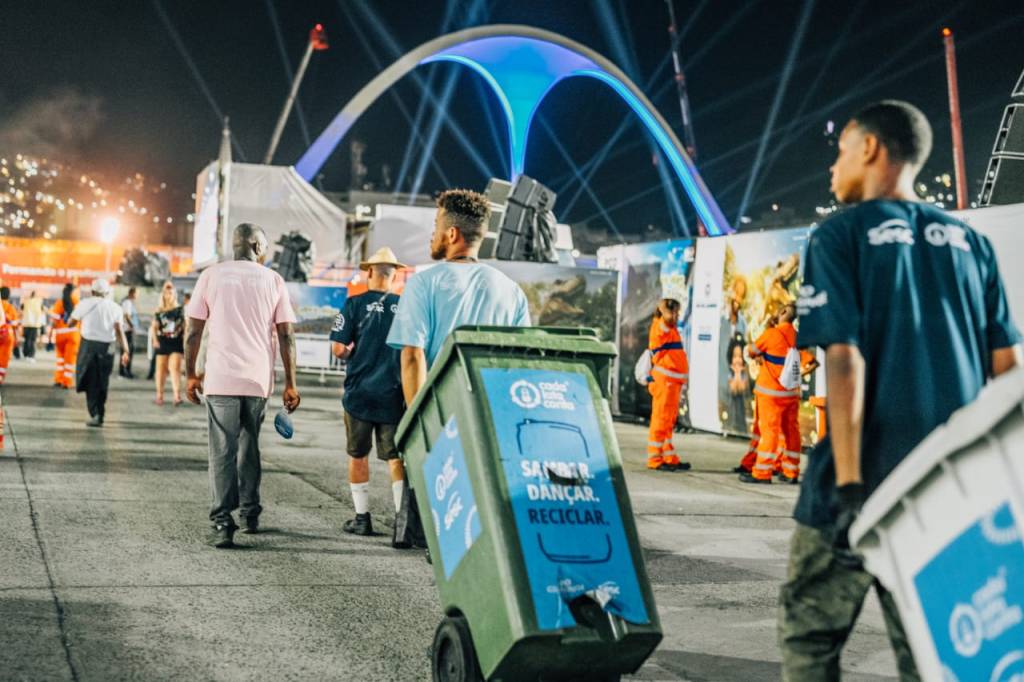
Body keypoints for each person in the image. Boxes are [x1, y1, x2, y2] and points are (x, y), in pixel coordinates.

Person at [778, 100, 1021, 680]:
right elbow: (1008, 371)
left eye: (840, 154)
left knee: (810, 636)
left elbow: (844, 359)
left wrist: (851, 478)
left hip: (855, 486)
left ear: (871, 148)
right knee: (933, 647)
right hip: (945, 491)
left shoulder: (839, 236)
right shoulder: (972, 245)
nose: (833, 170)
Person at [386, 189, 530, 548]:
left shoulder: (424, 283)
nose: (432, 235)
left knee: (431, 522)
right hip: (489, 412)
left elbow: (412, 356)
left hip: (439, 413)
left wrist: (415, 420)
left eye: (436, 226)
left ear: (452, 235)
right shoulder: (511, 291)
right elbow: (519, 361)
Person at [185, 223, 300, 549]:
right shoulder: (273, 279)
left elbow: (193, 331)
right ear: (255, 245)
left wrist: (190, 374)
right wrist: (291, 382)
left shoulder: (211, 276)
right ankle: (250, 513)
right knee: (250, 446)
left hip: (220, 377)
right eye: (264, 244)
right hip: (258, 379)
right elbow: (286, 334)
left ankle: (223, 523)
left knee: (222, 450)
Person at [329, 247, 407, 538]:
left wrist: (353, 355)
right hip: (394, 393)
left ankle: (362, 519)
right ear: (394, 274)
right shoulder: (406, 305)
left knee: (358, 454)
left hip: (359, 393)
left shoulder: (354, 304)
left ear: (370, 271)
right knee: (395, 457)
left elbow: (338, 348)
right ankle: (402, 521)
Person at [741, 303, 802, 484]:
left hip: (771, 394)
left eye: (778, 309)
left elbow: (751, 351)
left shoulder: (771, 334)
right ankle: (791, 472)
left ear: (783, 312)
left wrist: (760, 355)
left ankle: (762, 472)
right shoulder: (797, 337)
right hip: (791, 394)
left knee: (769, 432)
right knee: (791, 432)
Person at [71, 279, 131, 427]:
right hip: (108, 348)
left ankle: (95, 414)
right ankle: (100, 412)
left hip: (88, 347)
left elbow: (71, 322)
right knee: (103, 381)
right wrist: (126, 351)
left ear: (92, 291)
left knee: (89, 380)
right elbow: (119, 331)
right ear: (107, 293)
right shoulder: (116, 307)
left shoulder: (84, 304)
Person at [645, 298, 691, 471]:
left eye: (677, 312)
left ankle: (668, 456)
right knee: (661, 419)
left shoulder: (670, 329)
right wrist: (664, 310)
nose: (676, 316)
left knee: (668, 420)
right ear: (664, 312)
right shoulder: (660, 327)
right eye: (674, 312)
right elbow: (665, 323)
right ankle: (655, 459)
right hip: (665, 382)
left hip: (672, 382)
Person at [151, 281, 185, 405]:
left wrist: (186, 341)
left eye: (171, 293)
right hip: (162, 341)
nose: (168, 295)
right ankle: (159, 395)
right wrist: (154, 340)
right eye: (166, 293)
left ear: (174, 294)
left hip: (176, 342)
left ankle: (177, 396)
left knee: (175, 368)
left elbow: (185, 327)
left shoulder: (179, 310)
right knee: (160, 369)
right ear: (163, 295)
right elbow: (154, 327)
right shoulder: (159, 311)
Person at [50, 283, 81, 389]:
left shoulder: (59, 303)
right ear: (73, 292)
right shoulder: (77, 303)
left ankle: (58, 380)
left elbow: (54, 322)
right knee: (69, 360)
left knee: (60, 360)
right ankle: (66, 382)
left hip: (60, 335)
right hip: (73, 334)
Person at [119, 287, 140, 378]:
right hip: (127, 331)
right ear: (132, 293)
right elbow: (127, 315)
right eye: (136, 293)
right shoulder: (127, 302)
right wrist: (132, 326)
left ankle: (125, 371)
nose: (137, 296)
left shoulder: (128, 302)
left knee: (127, 351)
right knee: (127, 351)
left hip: (127, 330)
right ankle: (125, 371)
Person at [0, 287, 19, 385]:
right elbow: (15, 323)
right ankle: (0, 377)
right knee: (4, 358)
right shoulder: (10, 307)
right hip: (7, 334)